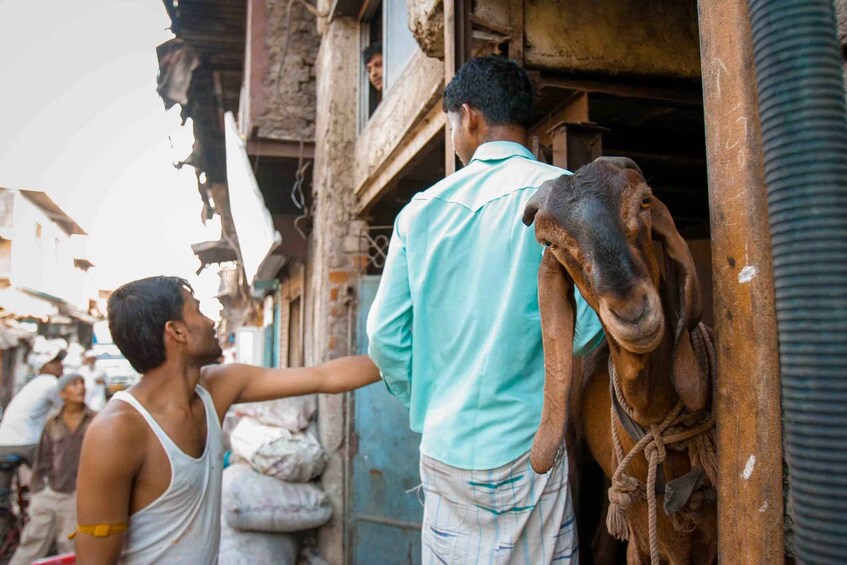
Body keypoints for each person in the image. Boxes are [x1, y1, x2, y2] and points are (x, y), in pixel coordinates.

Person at [366, 55, 605, 564]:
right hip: (530, 445)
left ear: (468, 116)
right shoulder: (564, 194)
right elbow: (587, 330)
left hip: (445, 445)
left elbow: (385, 337)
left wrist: (428, 396)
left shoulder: (421, 211)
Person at [75, 276, 381, 563]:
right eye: (197, 311)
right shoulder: (117, 430)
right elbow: (95, 557)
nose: (211, 322)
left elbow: (324, 376)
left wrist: (408, 357)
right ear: (176, 331)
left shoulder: (217, 388)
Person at [10, 373, 94, 565]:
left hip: (78, 494)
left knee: (69, 544)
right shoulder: (52, 422)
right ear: (62, 394)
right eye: (74, 384)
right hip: (51, 492)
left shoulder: (95, 420)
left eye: (82, 383)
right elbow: (42, 460)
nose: (80, 388)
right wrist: (38, 492)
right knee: (32, 543)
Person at [0, 337, 67, 505]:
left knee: (2, 493)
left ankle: (5, 521)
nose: (60, 365)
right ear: (43, 367)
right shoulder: (51, 382)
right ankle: (43, 510)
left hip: (3, 443)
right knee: (52, 481)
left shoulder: (32, 385)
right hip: (27, 443)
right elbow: (67, 412)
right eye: (55, 362)